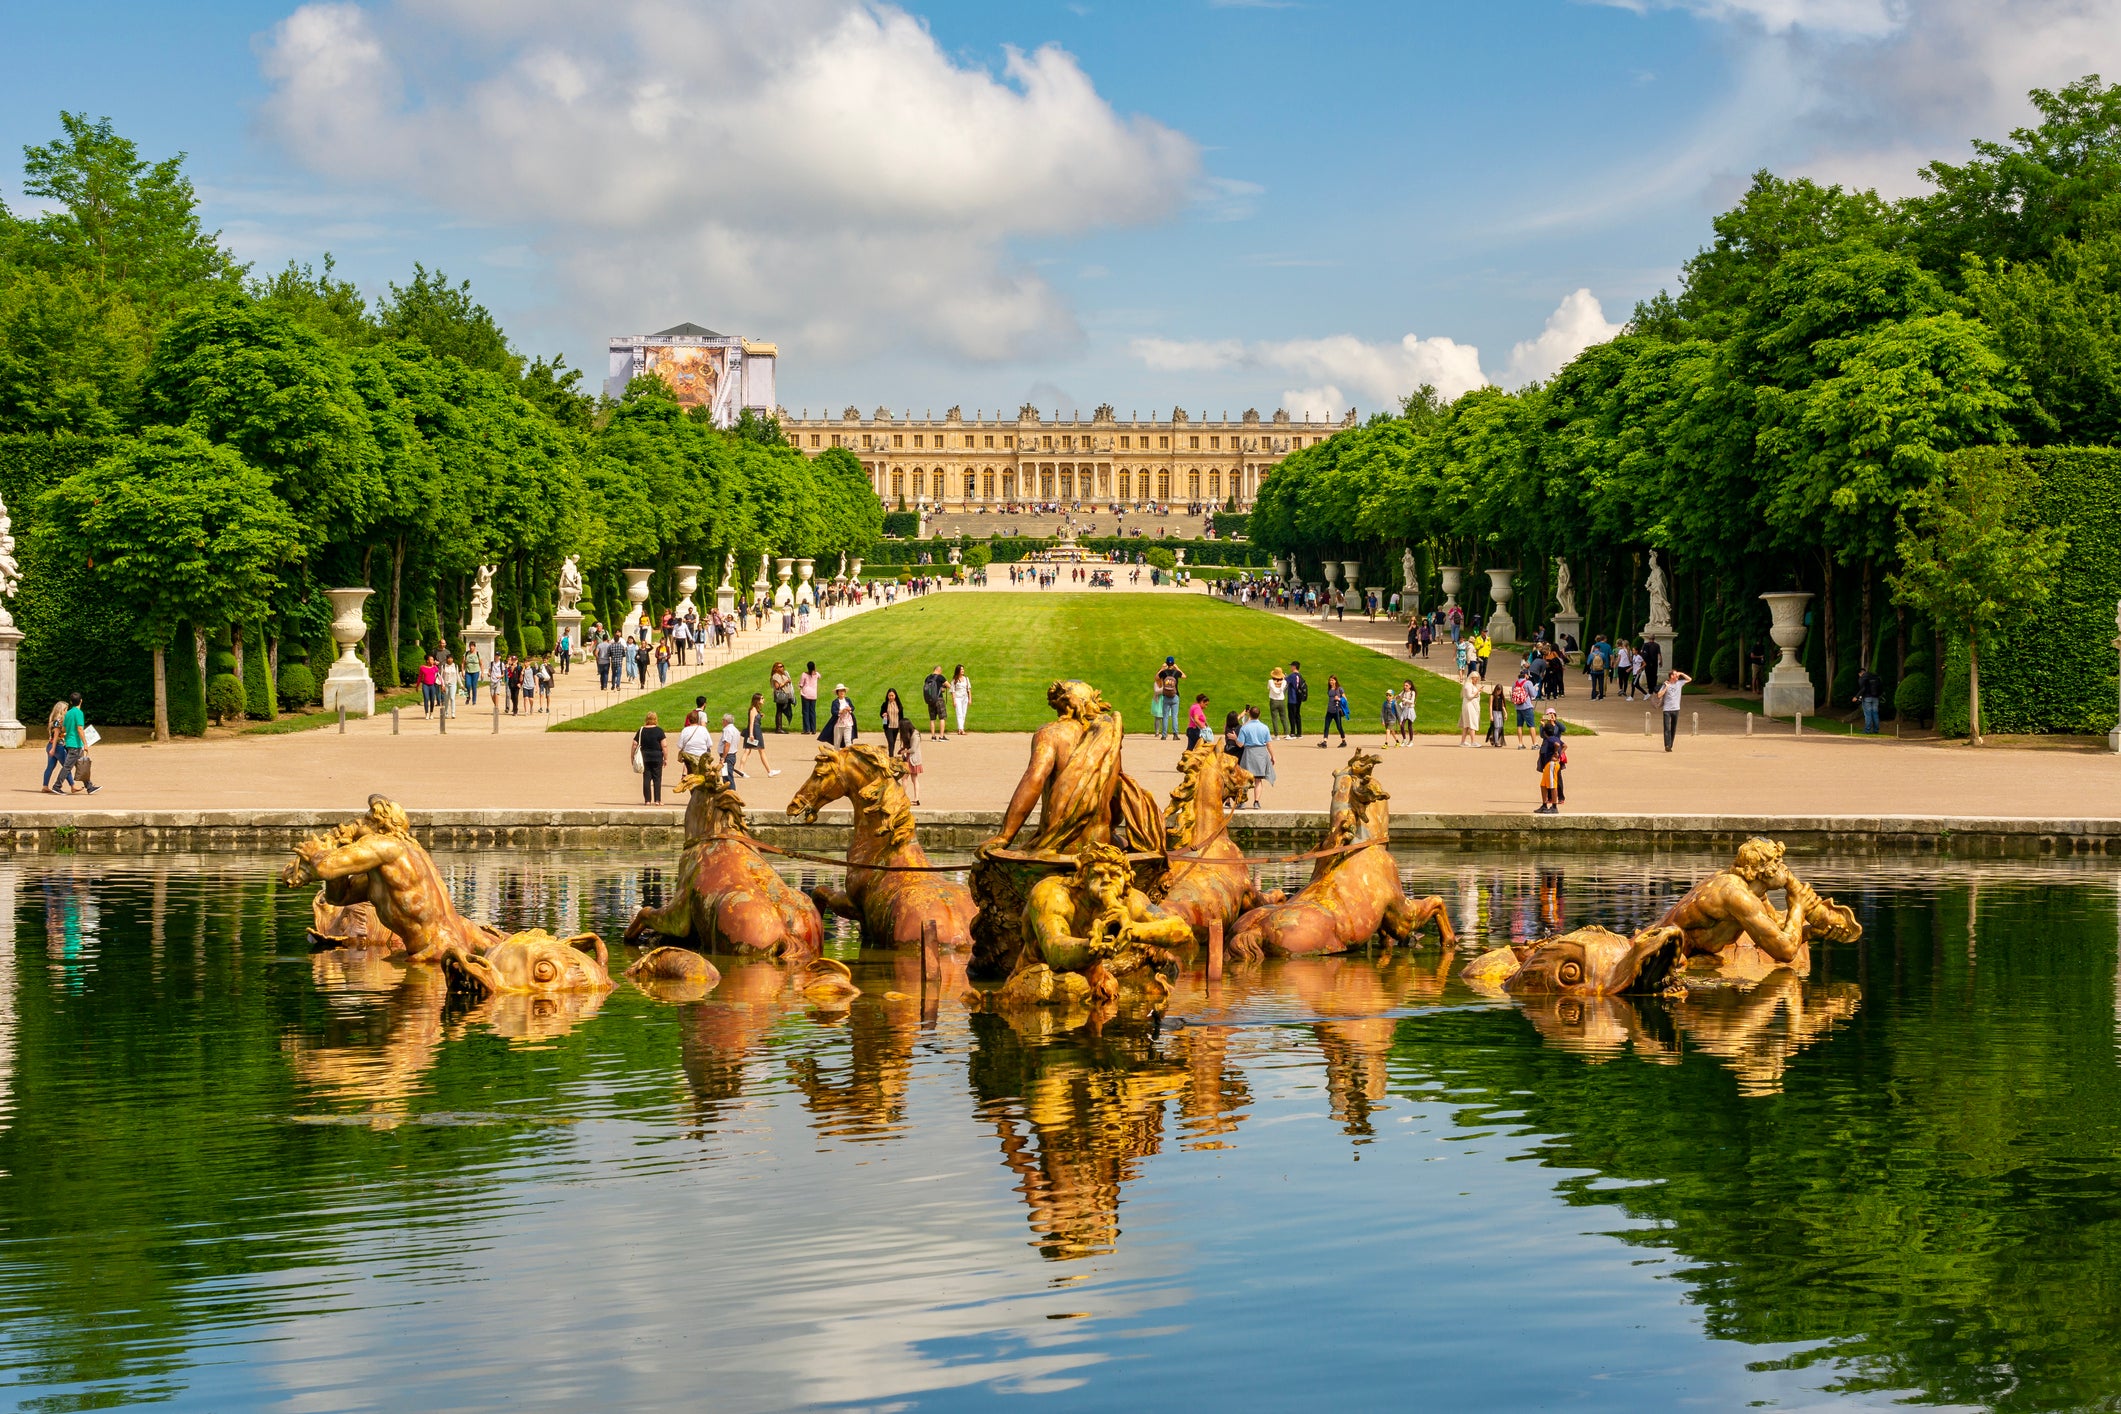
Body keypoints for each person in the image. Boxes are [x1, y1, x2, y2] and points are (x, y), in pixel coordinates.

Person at [1237, 705, 1275, 807]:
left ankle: (1242, 802)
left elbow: (1240, 744)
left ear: (1249, 714)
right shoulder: (1264, 727)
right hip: (1261, 754)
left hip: (1249, 753)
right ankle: (1256, 801)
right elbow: (1268, 744)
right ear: (1259, 715)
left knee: (1245, 779)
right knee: (1258, 780)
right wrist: (1272, 756)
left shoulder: (1245, 727)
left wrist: (1235, 738)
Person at [1535, 710, 1566, 814]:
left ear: (1545, 732)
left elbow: (1559, 745)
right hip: (1548, 764)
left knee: (1553, 785)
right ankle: (1544, 804)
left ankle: (1554, 806)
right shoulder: (1551, 737)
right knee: (1543, 785)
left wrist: (1556, 753)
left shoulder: (1551, 739)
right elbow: (1563, 745)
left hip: (1552, 763)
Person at [743, 692, 780, 777]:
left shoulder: (755, 709)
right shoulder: (753, 709)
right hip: (755, 732)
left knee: (748, 750)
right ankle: (769, 771)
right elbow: (751, 723)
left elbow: (755, 719)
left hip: (755, 731)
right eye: (762, 698)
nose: (763, 700)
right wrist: (751, 734)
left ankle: (741, 770)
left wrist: (760, 715)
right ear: (757, 700)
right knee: (758, 750)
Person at [635, 711, 667, 804]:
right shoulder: (659, 731)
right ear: (656, 719)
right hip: (657, 757)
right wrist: (666, 758)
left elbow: (634, 744)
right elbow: (664, 746)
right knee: (657, 779)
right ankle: (657, 800)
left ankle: (647, 800)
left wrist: (632, 756)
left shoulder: (641, 730)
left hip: (645, 757)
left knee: (646, 778)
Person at [1658, 668, 1693, 751]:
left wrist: (1681, 673)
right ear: (1671, 676)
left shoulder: (1679, 683)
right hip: (1667, 709)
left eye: (1677, 674)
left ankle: (1670, 746)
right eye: (1675, 674)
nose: (1677, 676)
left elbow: (1689, 679)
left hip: (1676, 709)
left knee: (1673, 728)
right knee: (1667, 728)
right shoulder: (1665, 684)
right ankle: (1667, 745)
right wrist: (1666, 687)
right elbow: (1659, 695)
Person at [40, 700, 67, 794]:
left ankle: (45, 786)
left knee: (50, 767)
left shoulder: (53, 721)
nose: (67, 712)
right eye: (66, 710)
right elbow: (56, 736)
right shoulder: (59, 721)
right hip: (57, 746)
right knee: (66, 766)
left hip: (50, 745)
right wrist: (53, 748)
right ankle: (73, 785)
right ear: (62, 710)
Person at [676, 711, 712, 779]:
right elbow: (710, 744)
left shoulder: (685, 730)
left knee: (691, 775)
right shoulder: (703, 730)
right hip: (701, 757)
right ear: (698, 719)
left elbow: (679, 745)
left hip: (689, 758)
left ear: (689, 720)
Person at [897, 719, 925, 805]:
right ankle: (915, 799)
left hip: (913, 759)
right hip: (911, 758)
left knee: (905, 778)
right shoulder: (912, 734)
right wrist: (903, 749)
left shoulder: (915, 735)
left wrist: (903, 752)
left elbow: (913, 749)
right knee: (914, 779)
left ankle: (903, 797)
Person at [1318, 674, 1349, 747]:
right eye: (1330, 680)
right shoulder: (1329, 689)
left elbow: (1345, 699)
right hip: (1329, 711)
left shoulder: (1339, 689)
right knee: (1326, 726)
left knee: (1339, 726)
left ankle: (1343, 741)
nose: (1330, 681)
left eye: (1332, 680)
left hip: (1337, 711)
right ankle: (1325, 742)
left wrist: (1339, 699)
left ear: (1335, 681)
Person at [1855, 664, 1884, 734]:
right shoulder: (1874, 677)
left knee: (1868, 714)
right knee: (1875, 714)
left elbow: (1863, 689)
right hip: (1876, 698)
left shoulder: (1863, 678)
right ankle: (1876, 730)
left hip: (1867, 698)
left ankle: (1867, 730)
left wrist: (1856, 696)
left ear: (1860, 673)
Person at [923, 663, 949, 740]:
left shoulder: (927, 678)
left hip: (930, 700)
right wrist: (943, 688)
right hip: (939, 699)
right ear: (939, 670)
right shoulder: (940, 677)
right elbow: (949, 685)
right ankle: (941, 736)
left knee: (932, 719)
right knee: (942, 718)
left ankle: (933, 736)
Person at [880, 686, 909, 755]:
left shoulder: (898, 705)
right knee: (891, 742)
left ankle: (891, 755)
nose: (891, 697)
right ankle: (891, 756)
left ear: (895, 695)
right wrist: (883, 715)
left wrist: (902, 726)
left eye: (892, 695)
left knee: (893, 742)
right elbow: (881, 713)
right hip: (888, 726)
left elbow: (901, 716)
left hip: (896, 726)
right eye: (889, 696)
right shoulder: (885, 704)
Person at [1511, 669, 1536, 748]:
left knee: (1519, 725)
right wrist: (1536, 689)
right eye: (1528, 675)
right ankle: (1534, 744)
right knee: (1531, 725)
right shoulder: (1528, 683)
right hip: (1527, 706)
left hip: (1518, 707)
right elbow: (1533, 694)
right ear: (1526, 675)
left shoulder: (1515, 683)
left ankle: (1520, 743)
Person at [1285, 660, 1308, 738]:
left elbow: (1285, 681)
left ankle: (1292, 733)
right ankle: (1299, 733)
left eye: (1291, 666)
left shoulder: (1292, 676)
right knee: (1297, 715)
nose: (1290, 667)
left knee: (1291, 715)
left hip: (1292, 698)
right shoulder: (1299, 675)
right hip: (1299, 698)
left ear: (1294, 667)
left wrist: (1284, 676)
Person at [719, 712, 742, 785]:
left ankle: (731, 793)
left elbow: (727, 745)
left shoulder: (727, 730)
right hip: (731, 756)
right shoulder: (735, 730)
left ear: (725, 721)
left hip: (727, 757)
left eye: (723, 720)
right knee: (726, 776)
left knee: (727, 778)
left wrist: (723, 758)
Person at [771, 661, 794, 732]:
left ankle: (779, 728)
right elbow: (777, 686)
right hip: (781, 695)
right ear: (776, 668)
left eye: (782, 666)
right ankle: (779, 728)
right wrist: (786, 682)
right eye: (780, 667)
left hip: (786, 695)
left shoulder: (784, 674)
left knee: (780, 710)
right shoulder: (776, 676)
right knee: (779, 711)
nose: (782, 668)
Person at [1266, 666, 1289, 737]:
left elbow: (1268, 688)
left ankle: (1277, 735)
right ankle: (1287, 734)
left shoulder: (1270, 682)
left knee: (1274, 718)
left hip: (1273, 701)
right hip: (1281, 701)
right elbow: (1284, 687)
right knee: (1284, 717)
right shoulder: (1284, 682)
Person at [799, 661, 821, 734]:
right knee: (812, 712)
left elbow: (801, 684)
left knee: (805, 712)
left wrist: (799, 686)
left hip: (805, 694)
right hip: (813, 695)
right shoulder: (816, 674)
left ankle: (807, 729)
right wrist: (815, 670)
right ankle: (813, 729)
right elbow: (819, 676)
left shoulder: (804, 674)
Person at [951, 663, 972, 734]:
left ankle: (960, 729)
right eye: (961, 669)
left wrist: (970, 699)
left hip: (965, 698)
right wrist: (954, 701)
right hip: (958, 698)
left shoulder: (966, 679)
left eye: (963, 669)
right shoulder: (954, 680)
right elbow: (953, 691)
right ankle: (961, 729)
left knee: (964, 713)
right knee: (959, 713)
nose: (963, 670)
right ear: (958, 671)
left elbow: (969, 689)